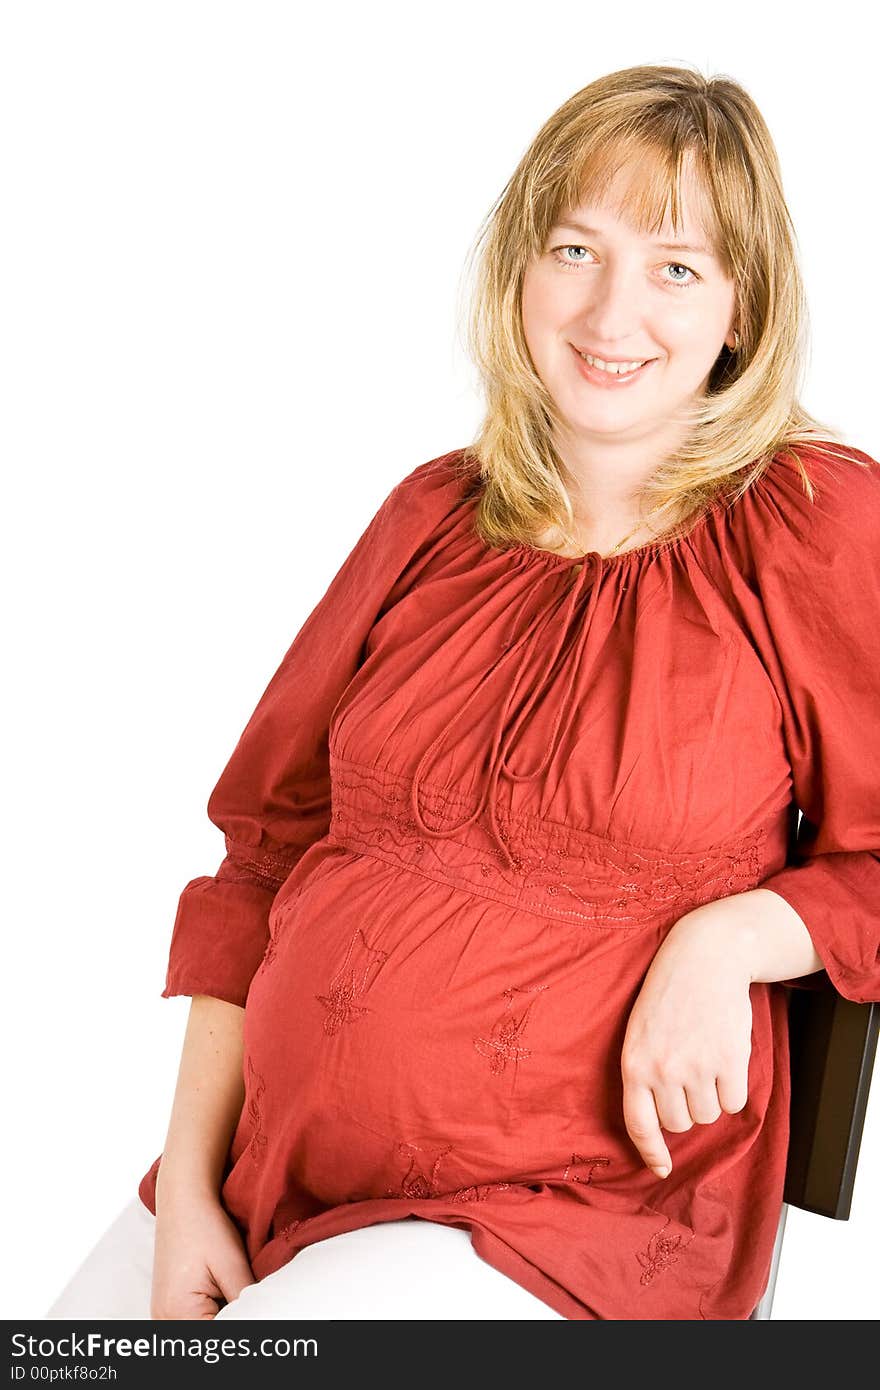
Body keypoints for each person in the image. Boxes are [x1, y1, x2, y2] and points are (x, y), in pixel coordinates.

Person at [45, 61, 880, 1323]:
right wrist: (196, 1184)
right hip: (275, 1168)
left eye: (675, 266)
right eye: (574, 247)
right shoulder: (433, 511)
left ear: (742, 311)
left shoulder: (815, 524)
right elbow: (264, 851)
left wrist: (734, 934)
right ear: (518, 272)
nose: (612, 312)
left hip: (574, 1213)